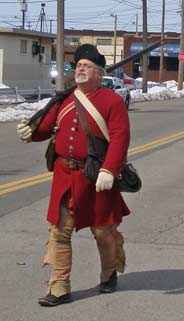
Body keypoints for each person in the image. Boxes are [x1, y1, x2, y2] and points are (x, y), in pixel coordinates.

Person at [17, 44, 131, 306]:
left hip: (95, 177)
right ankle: (59, 286)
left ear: (99, 73)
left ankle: (109, 271)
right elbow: (47, 127)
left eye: (87, 66)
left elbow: (120, 138)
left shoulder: (111, 101)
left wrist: (109, 170)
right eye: (79, 65)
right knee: (59, 231)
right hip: (65, 176)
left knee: (103, 231)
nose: (80, 68)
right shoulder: (66, 99)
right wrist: (31, 132)